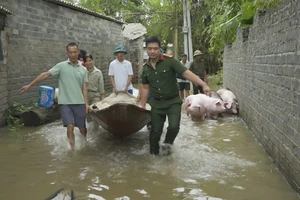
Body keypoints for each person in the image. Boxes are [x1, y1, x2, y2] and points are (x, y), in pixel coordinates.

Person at [139, 36, 211, 155]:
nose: (152, 51)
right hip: (156, 104)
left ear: (159, 49)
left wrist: (203, 84)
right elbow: (146, 88)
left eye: (155, 49)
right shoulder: (145, 69)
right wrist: (142, 105)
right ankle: (153, 155)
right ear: (146, 50)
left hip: (173, 102)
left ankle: (166, 147)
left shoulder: (170, 61)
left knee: (173, 127)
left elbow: (187, 73)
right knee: (155, 131)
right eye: (150, 49)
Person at [19, 42, 89, 150]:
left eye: (75, 52)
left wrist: (86, 104)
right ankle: (72, 149)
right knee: (69, 126)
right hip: (65, 103)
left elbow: (84, 88)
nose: (73, 54)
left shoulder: (83, 69)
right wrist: (29, 85)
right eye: (70, 52)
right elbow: (45, 75)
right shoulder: (61, 66)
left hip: (79, 102)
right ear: (67, 53)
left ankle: (84, 144)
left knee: (82, 128)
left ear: (78, 52)